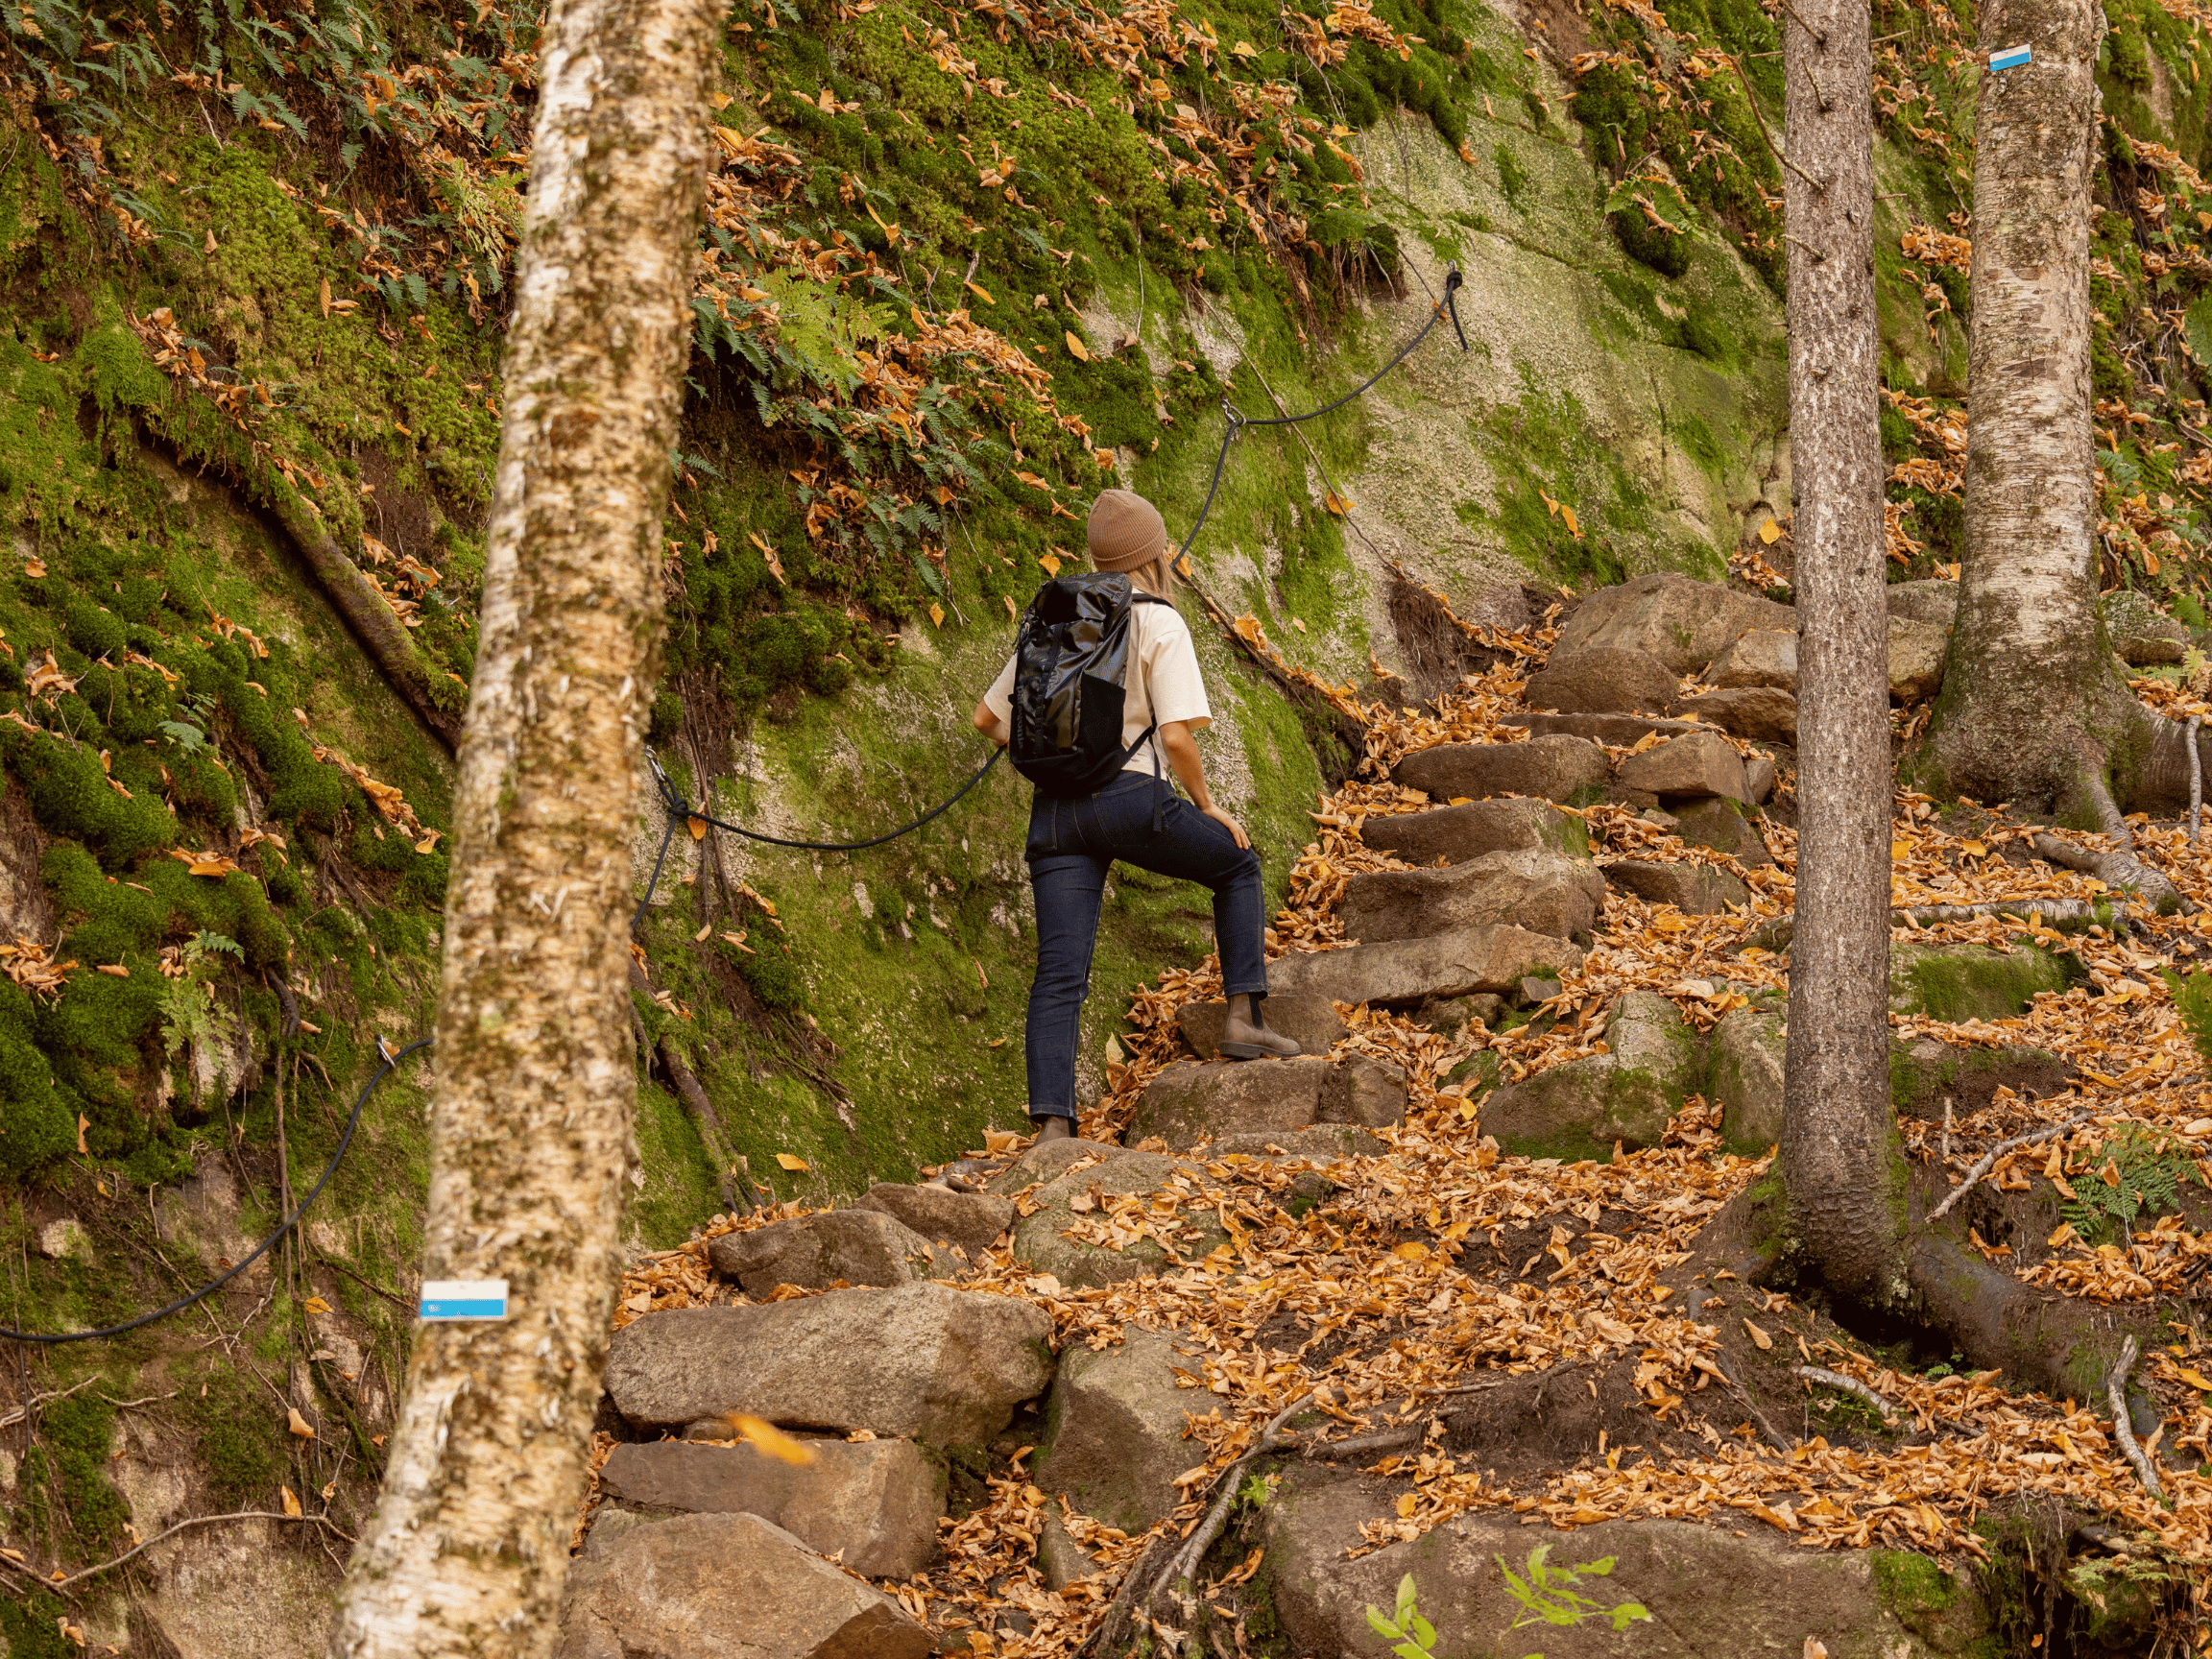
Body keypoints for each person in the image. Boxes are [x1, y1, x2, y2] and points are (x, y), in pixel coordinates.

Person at [974, 488, 1299, 1144]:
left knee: (1060, 972)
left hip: (1056, 817)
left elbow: (988, 720)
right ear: (1157, 555)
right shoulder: (1158, 621)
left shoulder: (1057, 617)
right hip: (1130, 801)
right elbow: (1176, 737)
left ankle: (1054, 1133)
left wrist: (1058, 764)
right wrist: (1208, 806)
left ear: (1097, 556)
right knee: (1236, 863)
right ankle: (1243, 1018)